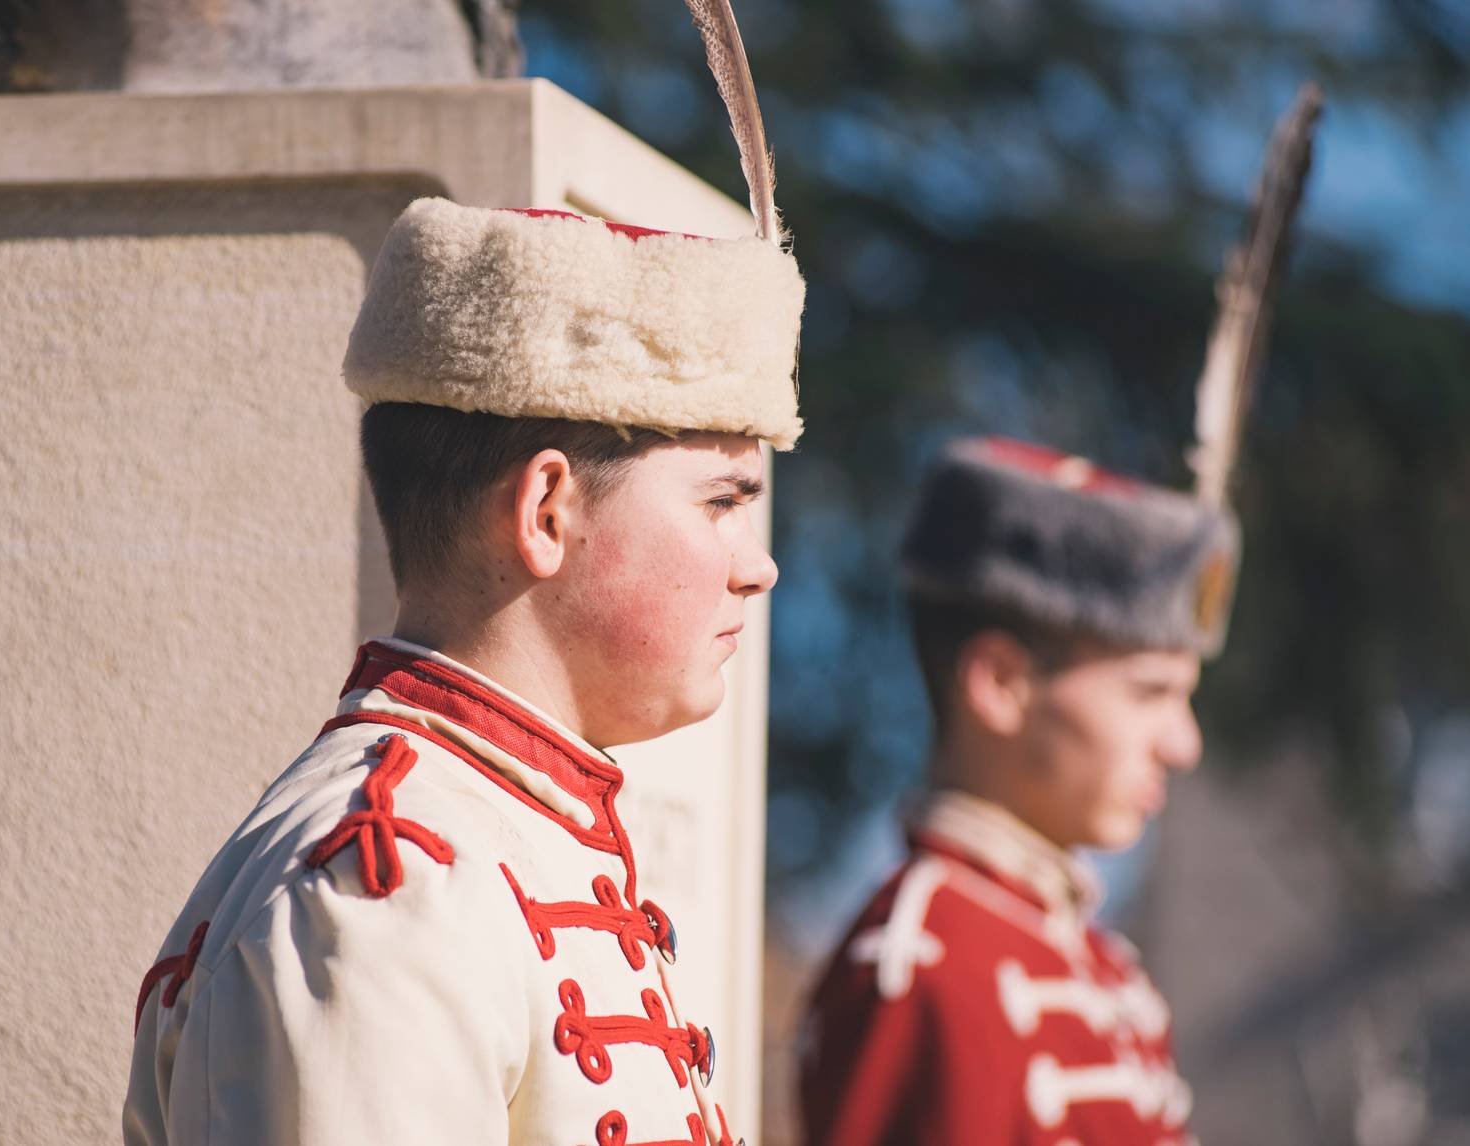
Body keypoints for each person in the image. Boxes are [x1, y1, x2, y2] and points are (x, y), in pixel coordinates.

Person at [123, 191, 803, 1146]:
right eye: (720, 501)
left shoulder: (485, 834)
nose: (758, 565)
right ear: (546, 514)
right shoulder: (385, 888)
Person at [798, 435, 1236, 1146]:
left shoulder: (1099, 963)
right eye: (1148, 693)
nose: (1182, 743)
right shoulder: (919, 968)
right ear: (1000, 684)